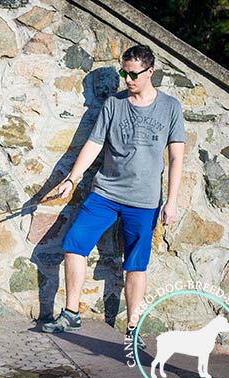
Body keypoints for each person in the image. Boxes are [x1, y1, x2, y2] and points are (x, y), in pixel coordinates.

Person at [41, 45, 185, 349]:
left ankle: (133, 328)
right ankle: (71, 312)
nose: (127, 79)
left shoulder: (170, 107)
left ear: (150, 72)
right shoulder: (114, 104)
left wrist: (171, 201)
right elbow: (93, 145)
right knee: (73, 244)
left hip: (144, 200)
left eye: (133, 74)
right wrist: (72, 179)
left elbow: (176, 158)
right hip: (106, 192)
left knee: (136, 264)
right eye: (124, 72)